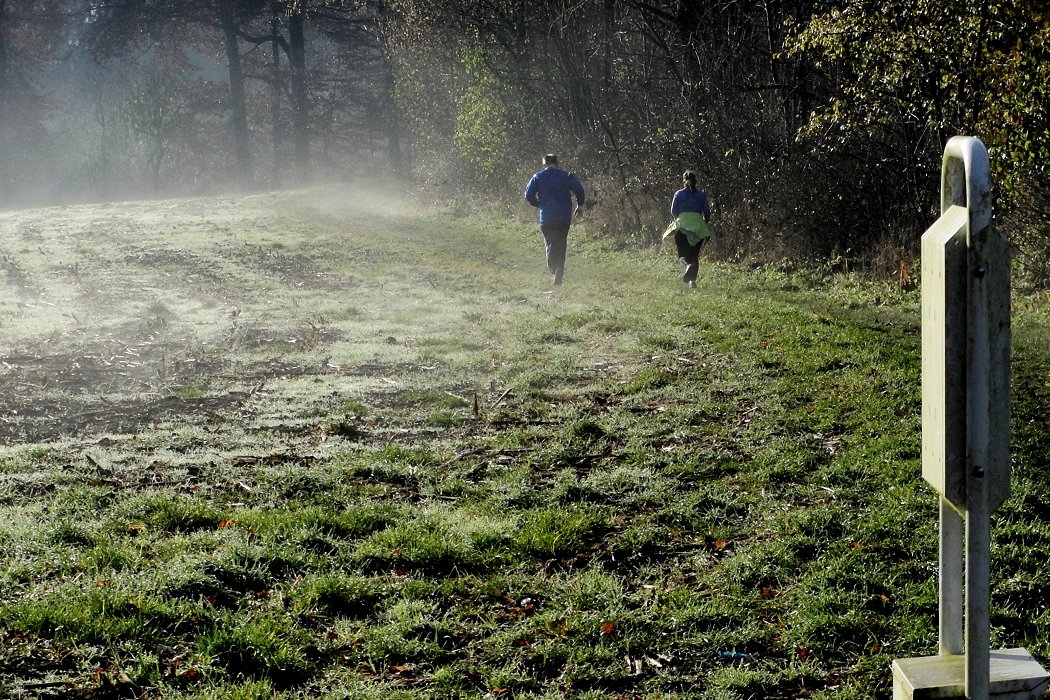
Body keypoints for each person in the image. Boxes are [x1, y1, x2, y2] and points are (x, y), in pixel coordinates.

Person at [524, 154, 585, 285]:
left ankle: (553, 268)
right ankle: (559, 269)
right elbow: (579, 190)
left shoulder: (538, 177)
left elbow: (528, 195)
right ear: (557, 163)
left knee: (550, 242)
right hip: (563, 217)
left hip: (547, 217)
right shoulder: (566, 176)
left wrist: (538, 204)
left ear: (544, 164)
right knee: (561, 243)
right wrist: (580, 205)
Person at [663, 170, 711, 288]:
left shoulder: (679, 194)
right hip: (698, 226)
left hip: (683, 225)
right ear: (696, 181)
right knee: (694, 255)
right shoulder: (701, 195)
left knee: (683, 253)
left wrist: (680, 219)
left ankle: (687, 266)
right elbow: (707, 212)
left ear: (684, 181)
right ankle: (692, 282)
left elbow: (673, 211)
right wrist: (702, 223)